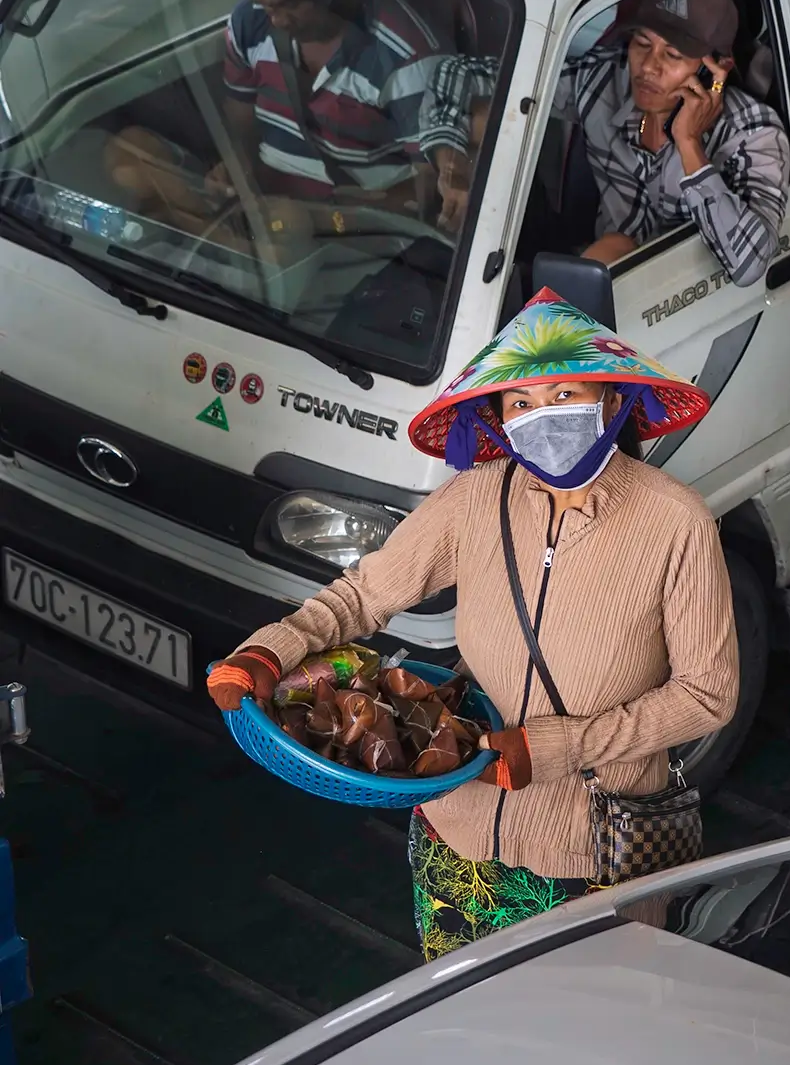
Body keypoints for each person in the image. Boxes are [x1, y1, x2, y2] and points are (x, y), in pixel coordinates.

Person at [207, 288, 739, 963]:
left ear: (610, 400)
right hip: (453, 832)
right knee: (458, 1020)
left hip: (590, 849)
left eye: (563, 394)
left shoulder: (675, 520)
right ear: (497, 419)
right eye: (519, 403)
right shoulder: (472, 499)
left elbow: (706, 691)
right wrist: (269, 651)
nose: (541, 416)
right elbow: (365, 593)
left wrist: (554, 747)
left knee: (586, 1037)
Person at [419, 0, 790, 284]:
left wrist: (690, 145)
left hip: (679, 304)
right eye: (641, 43)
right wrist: (453, 167)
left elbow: (750, 262)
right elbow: (458, 74)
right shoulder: (603, 81)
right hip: (594, 280)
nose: (648, 67)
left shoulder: (751, 132)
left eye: (673, 56)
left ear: (715, 69)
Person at [104, 0, 443, 249]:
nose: (277, 20)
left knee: (287, 224)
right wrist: (236, 169)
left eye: (290, 4)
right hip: (265, 199)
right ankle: (211, 232)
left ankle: (186, 226)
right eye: (264, 6)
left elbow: (433, 188)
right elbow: (241, 123)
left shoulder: (404, 58)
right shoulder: (249, 20)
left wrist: (360, 214)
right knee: (128, 156)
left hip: (345, 221)